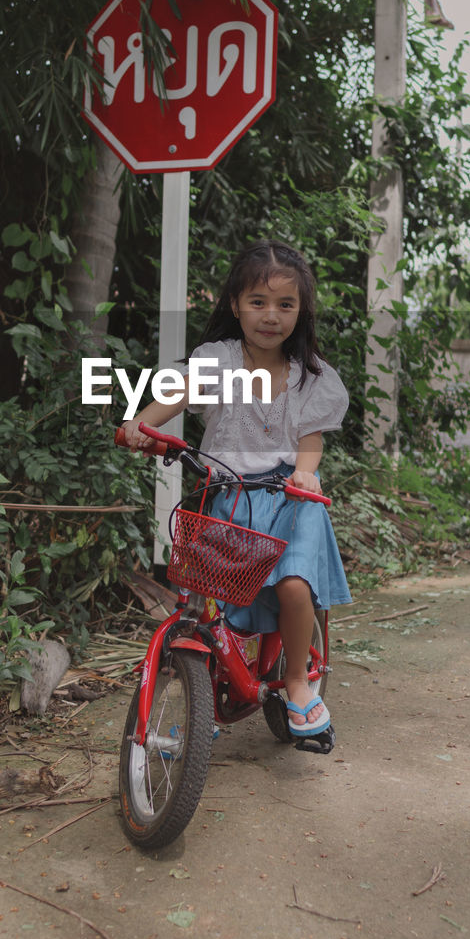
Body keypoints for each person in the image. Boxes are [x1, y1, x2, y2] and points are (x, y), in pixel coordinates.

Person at [119, 239, 352, 739]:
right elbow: (177, 393)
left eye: (285, 304)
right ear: (235, 305)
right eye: (258, 302)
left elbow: (311, 442)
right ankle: (202, 693)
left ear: (301, 311)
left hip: (293, 501)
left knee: (293, 585)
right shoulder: (219, 361)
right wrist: (142, 423)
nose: (271, 316)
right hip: (230, 500)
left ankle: (295, 683)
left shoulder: (312, 377)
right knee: (205, 598)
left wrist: (306, 471)